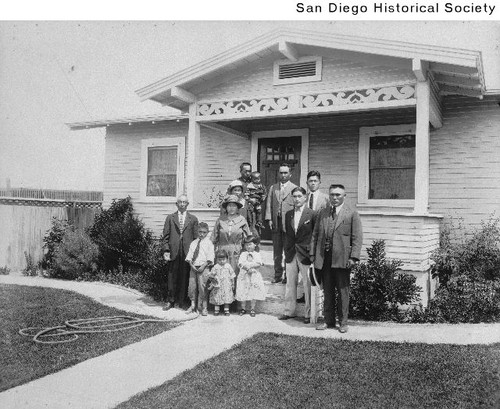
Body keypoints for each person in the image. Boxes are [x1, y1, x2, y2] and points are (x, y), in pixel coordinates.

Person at [310, 184, 363, 333]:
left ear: (344, 196)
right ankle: (328, 321)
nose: (335, 197)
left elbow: (357, 237)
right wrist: (313, 255)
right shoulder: (323, 213)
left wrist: (353, 257)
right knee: (327, 291)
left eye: (338, 195)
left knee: (343, 292)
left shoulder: (351, 213)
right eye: (332, 194)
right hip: (324, 258)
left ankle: (343, 323)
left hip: (343, 259)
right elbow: (315, 235)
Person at [278, 187, 316, 324]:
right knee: (290, 283)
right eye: (294, 196)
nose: (297, 199)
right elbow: (288, 234)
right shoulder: (288, 214)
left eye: (299, 196)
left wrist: (312, 253)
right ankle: (289, 312)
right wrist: (286, 251)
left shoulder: (311, 214)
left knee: (307, 284)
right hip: (291, 252)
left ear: (305, 197)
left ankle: (308, 313)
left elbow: (314, 236)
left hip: (305, 253)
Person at [162, 195, 199, 310]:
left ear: (187, 204)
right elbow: (165, 236)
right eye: (180, 202)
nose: (182, 204)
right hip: (174, 251)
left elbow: (196, 238)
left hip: (187, 252)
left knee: (184, 276)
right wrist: (166, 250)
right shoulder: (170, 218)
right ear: (176, 204)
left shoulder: (193, 219)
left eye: (184, 202)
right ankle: (170, 300)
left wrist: (194, 254)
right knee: (172, 276)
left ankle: (182, 301)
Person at [265, 163, 297, 284]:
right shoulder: (273, 188)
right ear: (278, 174)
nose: (283, 175)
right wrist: (269, 219)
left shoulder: (294, 188)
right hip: (276, 223)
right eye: (281, 173)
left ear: (290, 174)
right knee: (277, 252)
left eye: (285, 173)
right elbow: (269, 204)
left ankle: (287, 276)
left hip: (288, 224)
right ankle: (277, 274)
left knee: (288, 251)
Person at [212, 194, 252, 277]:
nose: (231, 208)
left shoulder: (242, 220)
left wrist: (247, 253)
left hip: (236, 252)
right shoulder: (220, 220)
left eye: (234, 206)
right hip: (222, 252)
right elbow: (213, 238)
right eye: (229, 206)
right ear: (226, 207)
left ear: (237, 208)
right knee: (221, 274)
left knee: (234, 274)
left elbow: (248, 238)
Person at [185, 222, 214, 316]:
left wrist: (203, 266)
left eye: (204, 232)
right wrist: (191, 265)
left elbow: (210, 257)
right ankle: (192, 305)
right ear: (197, 231)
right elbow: (189, 257)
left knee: (203, 287)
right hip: (194, 267)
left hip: (204, 267)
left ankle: (204, 307)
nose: (202, 234)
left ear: (207, 232)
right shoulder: (194, 243)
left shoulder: (209, 243)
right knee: (192, 286)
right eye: (200, 232)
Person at [236, 235, 267, 317]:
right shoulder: (243, 254)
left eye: (250, 244)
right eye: (246, 245)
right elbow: (240, 263)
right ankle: (243, 308)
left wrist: (251, 267)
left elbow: (259, 264)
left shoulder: (257, 254)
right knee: (243, 291)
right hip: (244, 275)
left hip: (253, 275)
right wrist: (246, 268)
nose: (248, 246)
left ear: (255, 244)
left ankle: (252, 308)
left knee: (253, 291)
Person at [208, 249, 236, 316]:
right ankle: (216, 310)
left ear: (227, 259)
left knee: (227, 297)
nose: (221, 261)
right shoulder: (216, 267)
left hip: (226, 285)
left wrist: (233, 283)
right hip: (218, 286)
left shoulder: (228, 266)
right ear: (217, 259)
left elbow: (232, 275)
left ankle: (226, 310)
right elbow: (212, 275)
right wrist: (212, 275)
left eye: (223, 259)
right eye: (219, 260)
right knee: (217, 297)